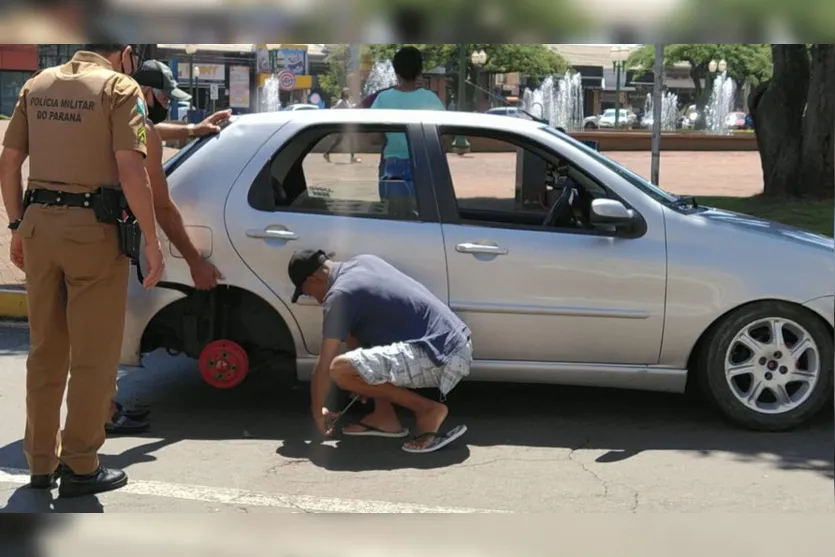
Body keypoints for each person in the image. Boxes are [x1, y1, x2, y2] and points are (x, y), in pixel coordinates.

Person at [0, 43, 165, 498]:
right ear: (125, 53)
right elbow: (131, 167)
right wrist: (152, 240)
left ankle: (39, 462)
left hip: (39, 228)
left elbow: (9, 161)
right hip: (93, 235)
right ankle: (81, 466)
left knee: (45, 350)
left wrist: (17, 224)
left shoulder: (37, 84)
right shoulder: (119, 86)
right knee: (93, 358)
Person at [102, 59, 226, 436]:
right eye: (163, 96)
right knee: (102, 333)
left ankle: (98, 410)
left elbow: (155, 131)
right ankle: (103, 415)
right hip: (106, 243)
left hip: (62, 229)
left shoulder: (108, 110)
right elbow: (162, 206)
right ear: (148, 94)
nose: (164, 104)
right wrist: (194, 261)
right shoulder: (140, 125)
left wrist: (192, 129)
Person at [287, 250, 472, 454]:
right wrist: (360, 380)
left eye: (307, 292)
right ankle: (384, 418)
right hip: (454, 344)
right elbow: (356, 345)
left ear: (314, 278)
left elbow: (325, 365)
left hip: (442, 356)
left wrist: (317, 411)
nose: (315, 300)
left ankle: (427, 410)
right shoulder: (364, 262)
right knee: (355, 355)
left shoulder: (339, 295)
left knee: (339, 369)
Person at [369, 47, 444, 199]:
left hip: (392, 165)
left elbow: (373, 138)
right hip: (425, 163)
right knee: (427, 215)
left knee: (396, 217)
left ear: (395, 70)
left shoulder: (383, 99)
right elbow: (445, 139)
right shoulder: (431, 99)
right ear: (420, 70)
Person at [323, 88, 361, 164]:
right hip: (344, 125)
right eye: (347, 93)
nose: (348, 94)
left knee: (340, 141)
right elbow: (334, 109)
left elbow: (350, 108)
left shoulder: (346, 102)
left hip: (346, 124)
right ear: (344, 94)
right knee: (350, 140)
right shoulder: (341, 102)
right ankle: (352, 158)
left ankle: (327, 153)